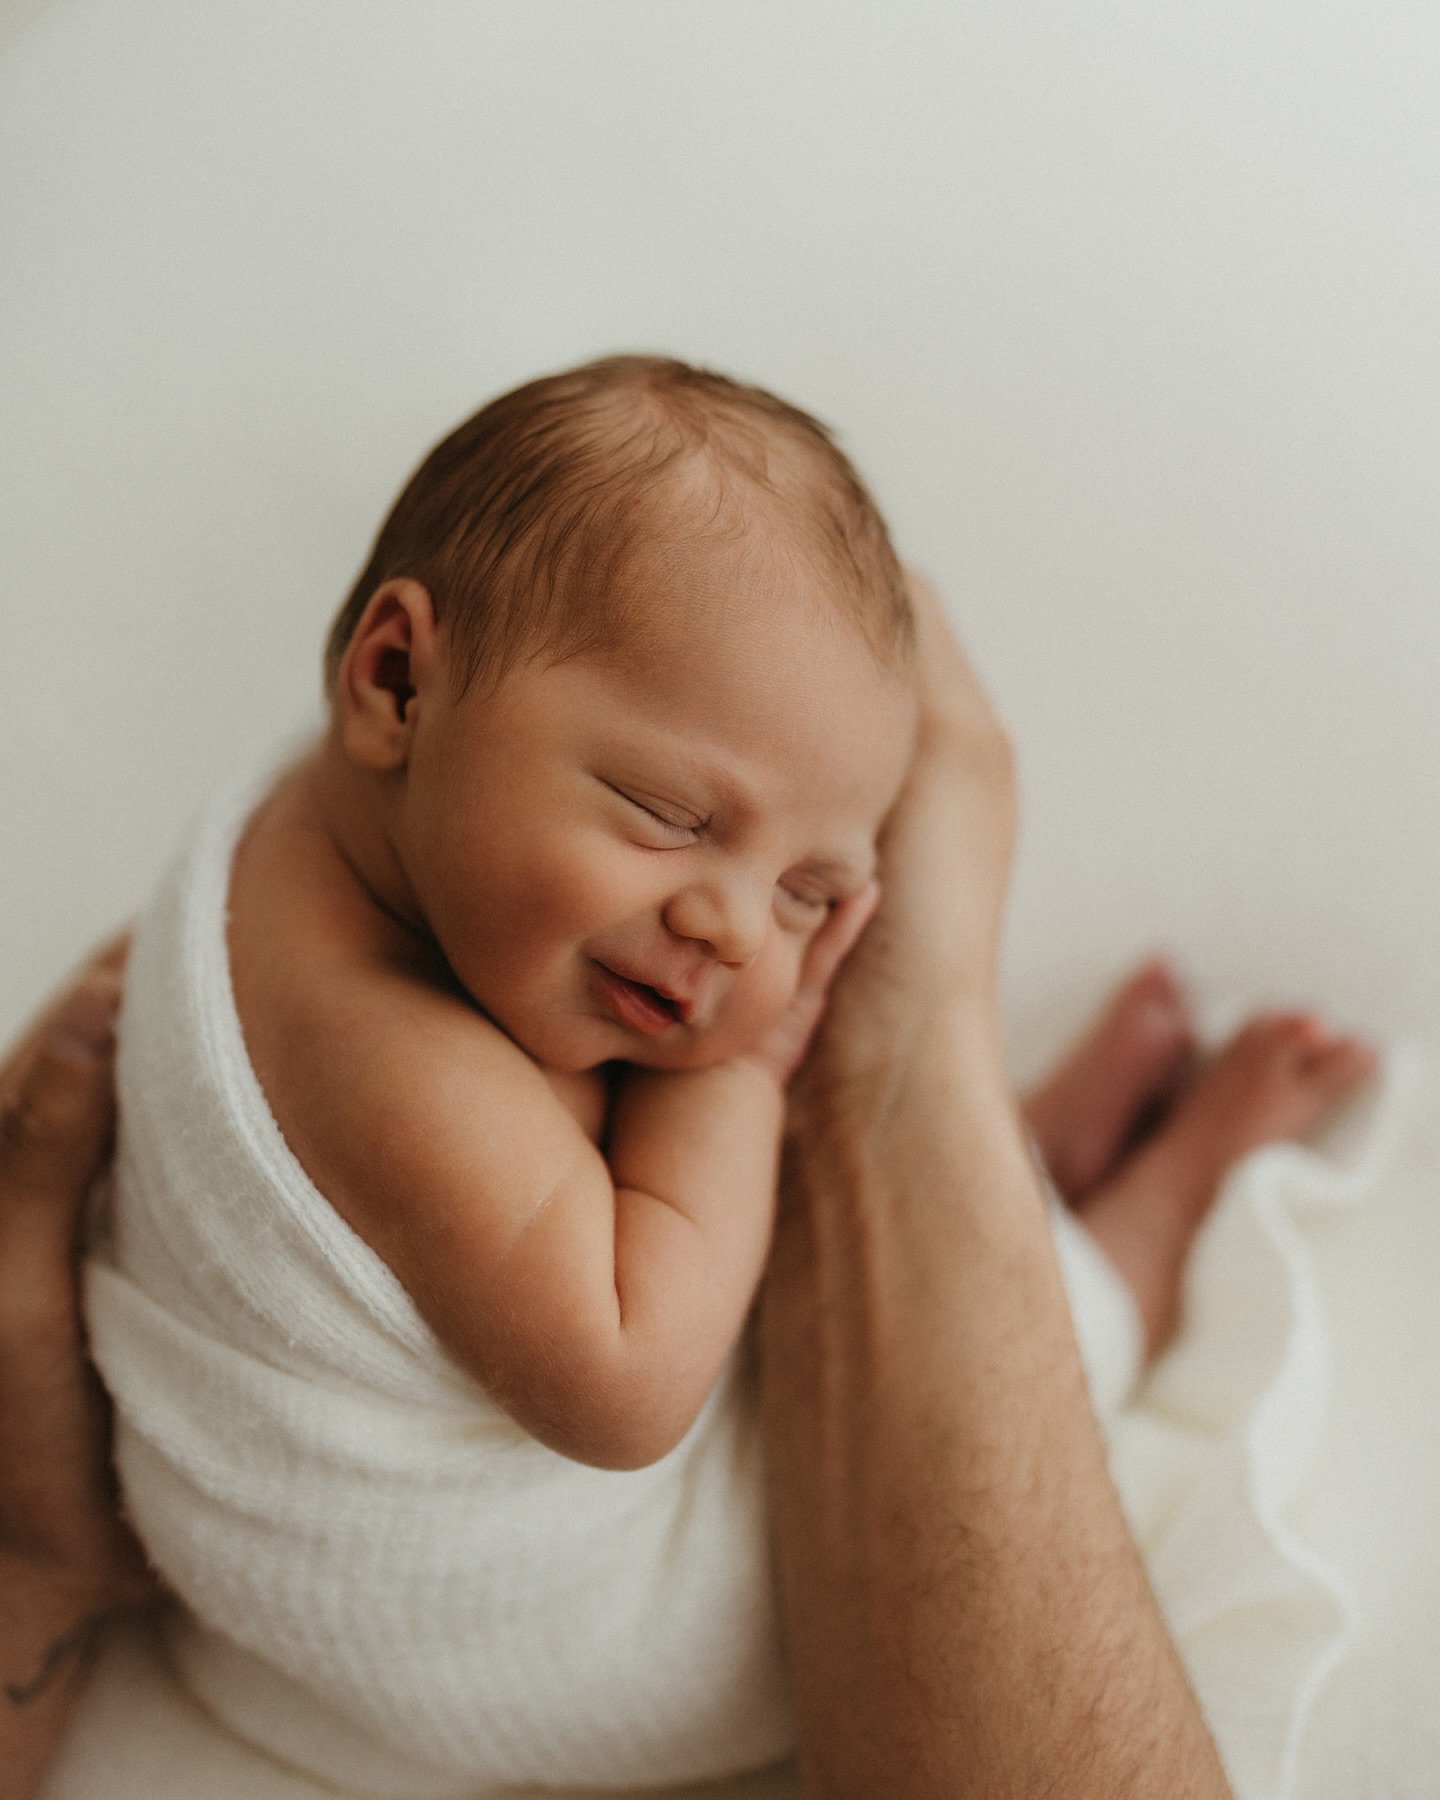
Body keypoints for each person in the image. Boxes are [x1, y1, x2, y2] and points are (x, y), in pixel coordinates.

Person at [5, 359, 1371, 1797]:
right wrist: (761, 1064)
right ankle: (1142, 1218)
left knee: (763, 1185)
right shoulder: (379, 1062)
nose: (730, 923)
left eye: (812, 893)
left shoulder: (346, 839)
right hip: (589, 1617)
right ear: (395, 682)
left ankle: (1008, 1142)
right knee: (1007, 1382)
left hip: (540, 1287)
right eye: (669, 813)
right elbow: (630, 1377)